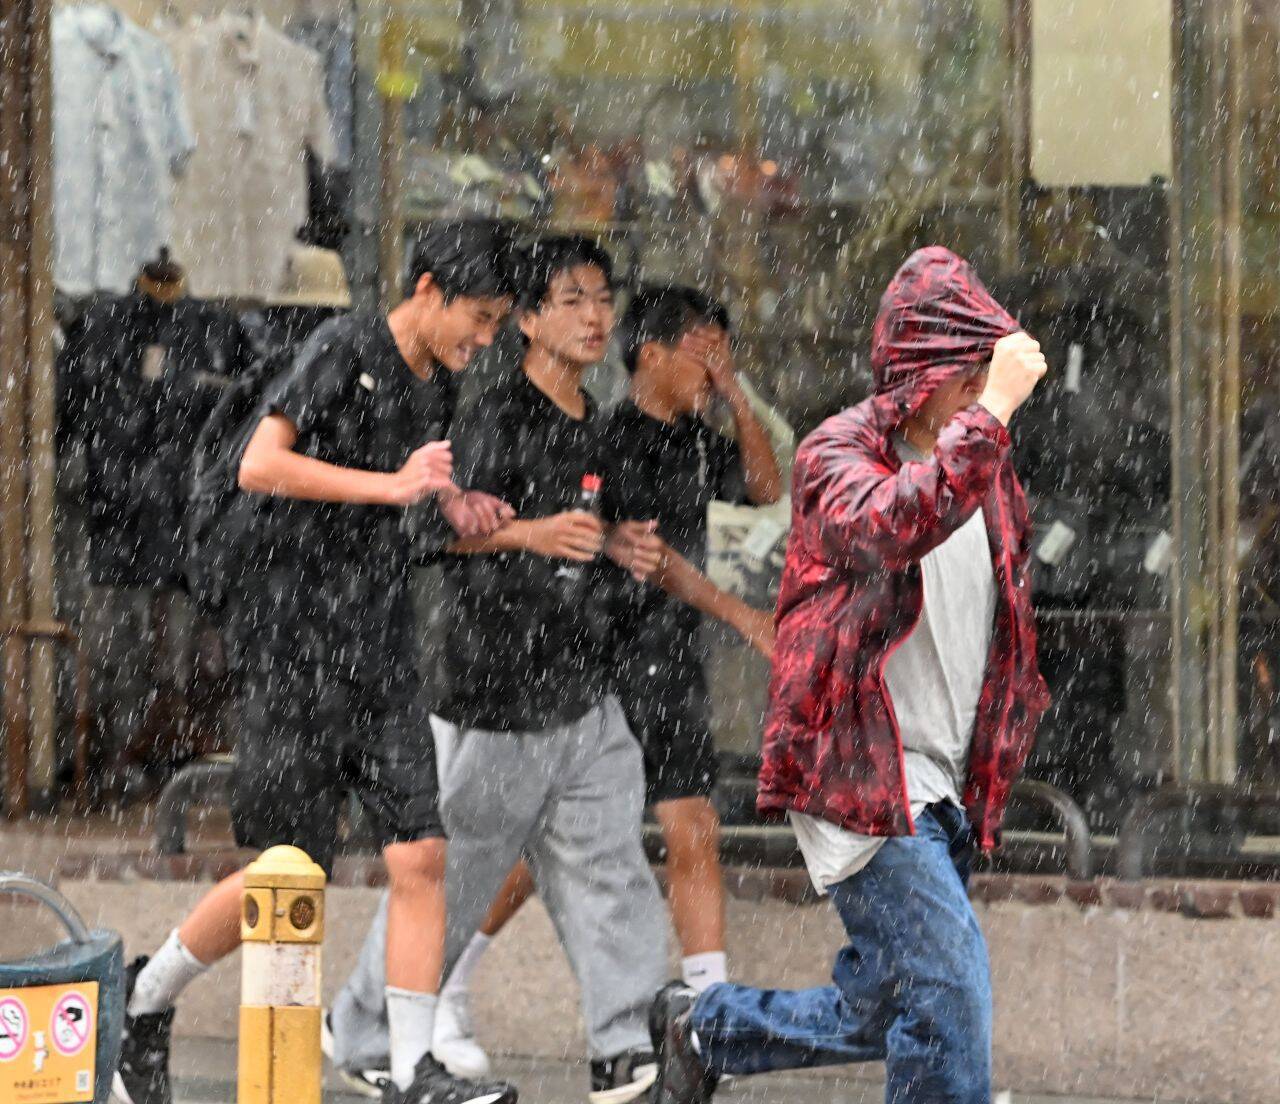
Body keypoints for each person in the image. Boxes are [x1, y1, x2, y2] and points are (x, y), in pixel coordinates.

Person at [113, 220, 522, 1104]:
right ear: (427, 291)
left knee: (420, 855)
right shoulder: (344, 347)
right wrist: (394, 486)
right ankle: (144, 1000)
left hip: (377, 642)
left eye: (496, 326)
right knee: (286, 873)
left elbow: (405, 495)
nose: (484, 341)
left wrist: (452, 507)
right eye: (479, 319)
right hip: (293, 645)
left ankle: (413, 1067)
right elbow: (263, 465)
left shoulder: (434, 384)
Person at [648, 246, 1052, 1104]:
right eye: (969, 377)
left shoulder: (985, 463)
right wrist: (997, 413)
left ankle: (704, 1026)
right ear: (919, 373)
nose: (982, 396)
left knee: (891, 1005)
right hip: (858, 772)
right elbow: (894, 525)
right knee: (949, 994)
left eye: (991, 377)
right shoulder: (837, 456)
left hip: (941, 783)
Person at [327, 236, 671, 1104]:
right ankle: (363, 1028)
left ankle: (627, 1044)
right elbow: (433, 529)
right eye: (573, 299)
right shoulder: (491, 416)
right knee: (453, 879)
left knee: (610, 866)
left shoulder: (596, 424)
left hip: (580, 692)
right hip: (493, 696)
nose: (596, 317)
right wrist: (532, 534)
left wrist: (619, 545)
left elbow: (590, 534)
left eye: (604, 298)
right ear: (526, 320)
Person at [411, 283, 783, 1083]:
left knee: (691, 825)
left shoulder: (696, 440)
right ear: (651, 352)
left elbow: (765, 487)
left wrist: (737, 398)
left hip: (669, 659)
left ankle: (705, 1022)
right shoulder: (610, 437)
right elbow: (653, 558)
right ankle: (445, 983)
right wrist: (744, 618)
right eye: (704, 352)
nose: (717, 367)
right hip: (606, 653)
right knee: (525, 841)